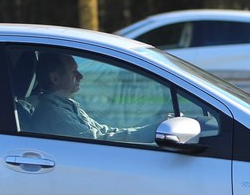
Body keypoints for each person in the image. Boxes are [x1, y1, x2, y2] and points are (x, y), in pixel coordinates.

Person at [26, 51, 154, 142]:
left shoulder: (64, 106)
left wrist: (150, 130)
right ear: (54, 78)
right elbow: (99, 141)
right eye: (73, 72)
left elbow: (103, 131)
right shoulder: (54, 114)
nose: (80, 76)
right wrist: (152, 132)